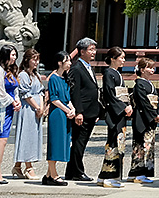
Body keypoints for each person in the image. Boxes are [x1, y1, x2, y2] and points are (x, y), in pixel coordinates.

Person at [66, 37, 101, 182]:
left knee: (82, 142)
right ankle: (77, 171)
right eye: (90, 49)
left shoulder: (88, 67)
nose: (94, 52)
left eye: (94, 49)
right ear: (82, 51)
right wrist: (78, 111)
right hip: (83, 112)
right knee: (79, 142)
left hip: (91, 111)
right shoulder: (76, 68)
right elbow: (75, 92)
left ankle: (71, 171)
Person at [97, 46, 133, 188]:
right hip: (115, 112)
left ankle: (104, 175)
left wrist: (127, 105)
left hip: (121, 112)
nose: (123, 60)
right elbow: (110, 95)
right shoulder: (108, 74)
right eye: (121, 58)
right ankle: (109, 176)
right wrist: (123, 107)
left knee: (118, 143)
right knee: (113, 143)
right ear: (113, 59)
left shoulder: (117, 74)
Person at [0, 44, 21, 184]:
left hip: (8, 109)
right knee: (1, 139)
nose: (14, 58)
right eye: (12, 55)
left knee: (2, 139)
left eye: (15, 55)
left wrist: (16, 100)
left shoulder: (10, 71)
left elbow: (15, 89)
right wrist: (12, 101)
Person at [12, 47, 47, 180]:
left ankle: (17, 166)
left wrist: (42, 107)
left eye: (37, 60)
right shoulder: (23, 75)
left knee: (33, 136)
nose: (36, 62)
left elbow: (41, 92)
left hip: (37, 108)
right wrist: (37, 107)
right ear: (27, 60)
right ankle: (29, 166)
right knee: (27, 136)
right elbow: (26, 94)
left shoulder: (36, 75)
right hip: (27, 109)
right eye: (34, 59)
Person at [127, 57, 159, 184]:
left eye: (153, 68)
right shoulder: (139, 84)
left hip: (151, 118)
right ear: (142, 70)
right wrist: (153, 114)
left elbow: (158, 101)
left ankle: (139, 172)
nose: (152, 70)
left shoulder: (150, 84)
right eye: (149, 68)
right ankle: (137, 173)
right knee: (140, 145)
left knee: (148, 146)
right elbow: (143, 103)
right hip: (142, 118)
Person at [44, 50, 75, 186]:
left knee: (62, 141)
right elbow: (54, 99)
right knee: (55, 143)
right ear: (59, 62)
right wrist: (68, 109)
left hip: (65, 112)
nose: (69, 63)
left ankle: (48, 174)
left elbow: (67, 98)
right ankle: (54, 174)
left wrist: (72, 108)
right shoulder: (53, 78)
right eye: (67, 60)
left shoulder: (65, 78)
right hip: (57, 113)